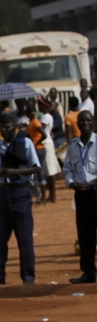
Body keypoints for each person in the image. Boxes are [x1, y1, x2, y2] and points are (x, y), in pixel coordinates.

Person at [0, 112, 41, 285]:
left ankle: (28, 277)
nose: (4, 130)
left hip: (20, 192)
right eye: (2, 127)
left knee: (24, 237)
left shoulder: (25, 143)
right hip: (3, 192)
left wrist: (15, 172)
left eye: (7, 127)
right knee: (0, 236)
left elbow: (36, 167)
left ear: (15, 127)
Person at [63, 110, 97, 284]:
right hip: (81, 194)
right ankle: (89, 272)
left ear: (93, 123)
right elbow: (67, 168)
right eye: (81, 121)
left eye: (88, 121)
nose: (85, 124)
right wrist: (71, 183)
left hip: (95, 191)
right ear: (77, 125)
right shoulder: (73, 145)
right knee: (85, 235)